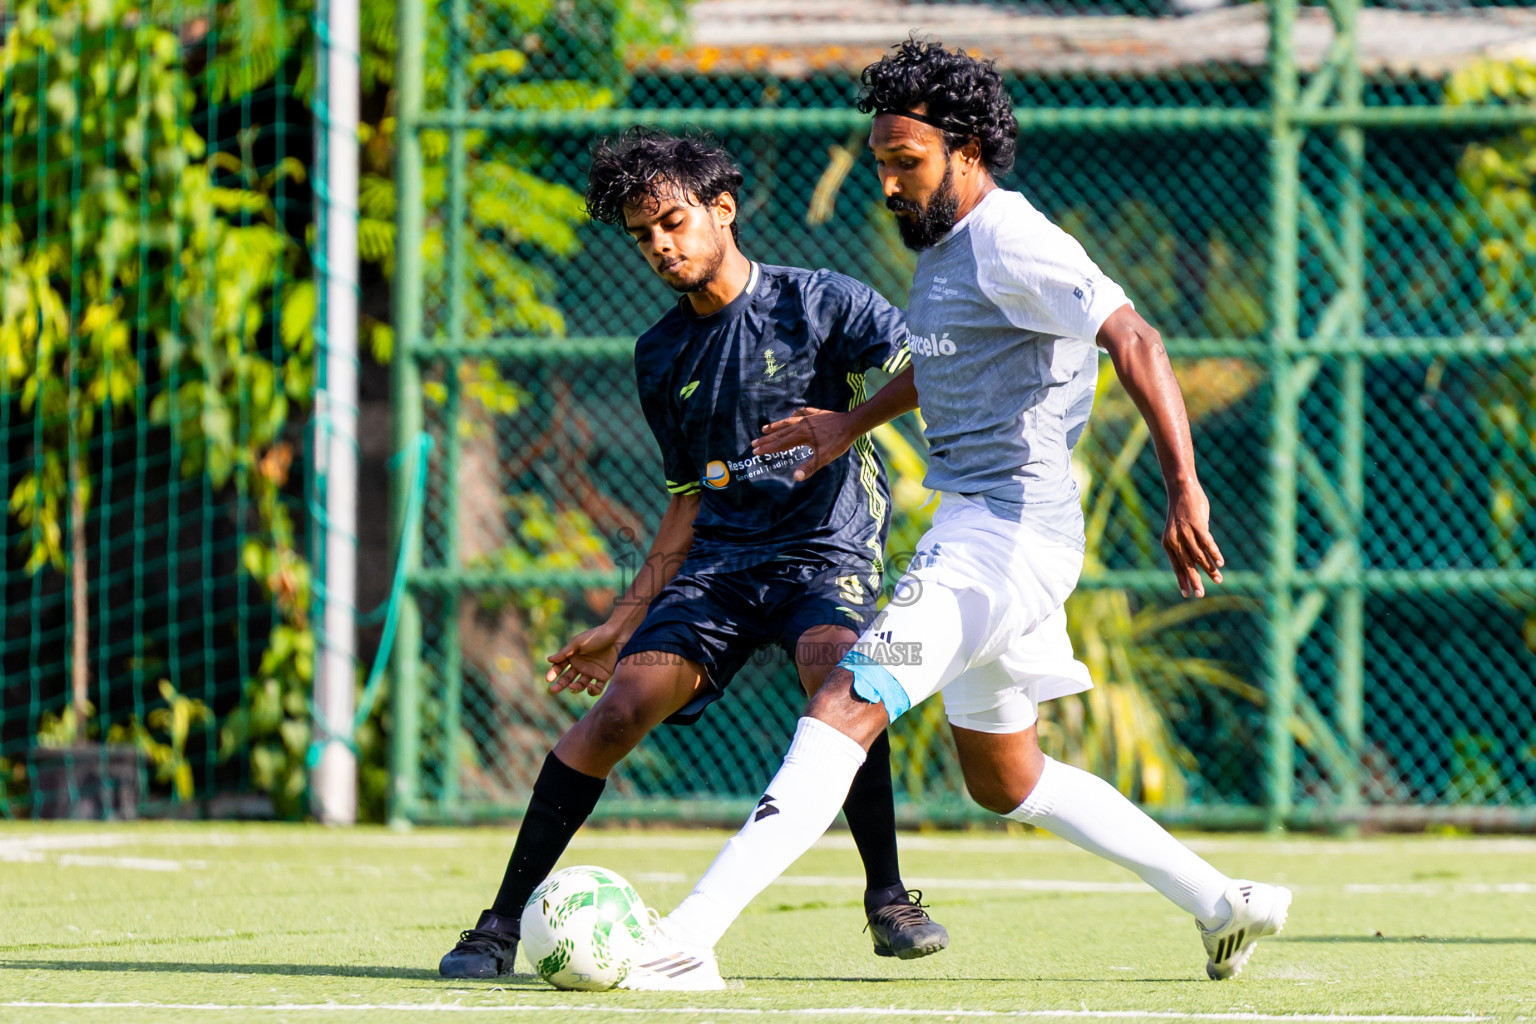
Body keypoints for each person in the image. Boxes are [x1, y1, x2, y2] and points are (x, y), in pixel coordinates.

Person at [618, 41, 1292, 992]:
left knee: (847, 700)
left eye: (907, 162)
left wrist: (1185, 483)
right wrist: (850, 421)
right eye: (882, 162)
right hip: (987, 533)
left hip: (1004, 539)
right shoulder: (945, 251)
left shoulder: (1014, 241)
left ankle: (690, 935)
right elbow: (942, 362)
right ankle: (1223, 903)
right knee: (1006, 780)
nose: (889, 182)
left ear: (967, 149)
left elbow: (1133, 334)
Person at [438, 128, 949, 979]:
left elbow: (934, 370)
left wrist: (847, 423)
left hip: (826, 553)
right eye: (642, 235)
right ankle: (497, 924)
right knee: (617, 709)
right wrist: (620, 621)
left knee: (836, 668)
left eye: (673, 221)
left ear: (724, 209)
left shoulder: (825, 304)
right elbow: (688, 501)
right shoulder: (660, 355)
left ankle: (888, 896)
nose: (660, 246)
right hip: (719, 567)